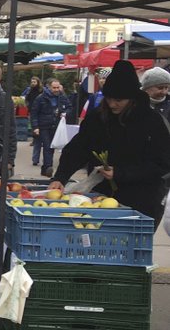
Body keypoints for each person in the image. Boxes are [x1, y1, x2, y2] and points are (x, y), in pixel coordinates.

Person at [49, 60, 170, 228]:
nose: (112, 104)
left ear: (132, 98)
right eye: (109, 98)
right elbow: (77, 149)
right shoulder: (97, 118)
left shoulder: (152, 122)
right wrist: (61, 177)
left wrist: (121, 173)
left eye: (119, 100)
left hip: (142, 201)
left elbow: (162, 164)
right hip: (101, 197)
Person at [30, 78, 71, 177]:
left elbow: (69, 107)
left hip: (56, 126)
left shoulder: (62, 97)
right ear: (48, 87)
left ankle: (45, 168)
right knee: (48, 146)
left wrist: (65, 113)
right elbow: (34, 112)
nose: (56, 89)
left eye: (58, 87)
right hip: (44, 126)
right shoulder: (40, 98)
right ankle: (49, 167)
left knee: (52, 147)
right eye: (54, 88)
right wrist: (35, 127)